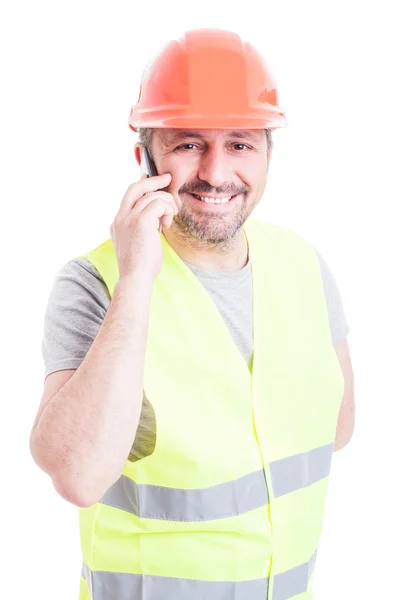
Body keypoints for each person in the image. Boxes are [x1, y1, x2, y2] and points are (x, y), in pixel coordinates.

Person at [30, 28, 355, 600]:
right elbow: (77, 475)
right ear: (145, 159)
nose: (216, 171)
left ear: (268, 153)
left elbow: (337, 429)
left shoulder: (302, 264)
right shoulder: (96, 284)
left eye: (240, 143)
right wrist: (137, 279)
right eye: (187, 144)